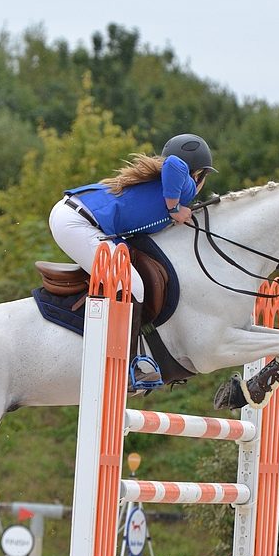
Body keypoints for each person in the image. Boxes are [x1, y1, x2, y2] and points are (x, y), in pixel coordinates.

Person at [48, 134, 217, 387]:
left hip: (79, 219)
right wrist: (174, 208)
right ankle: (126, 365)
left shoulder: (170, 186)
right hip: (76, 222)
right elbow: (173, 163)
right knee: (131, 285)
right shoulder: (183, 183)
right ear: (199, 173)